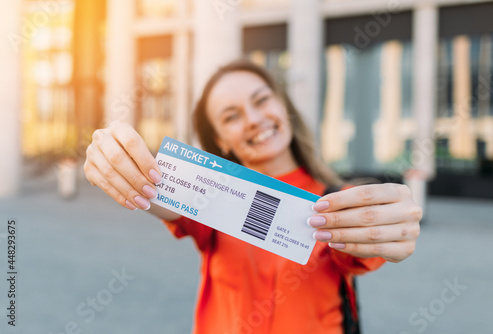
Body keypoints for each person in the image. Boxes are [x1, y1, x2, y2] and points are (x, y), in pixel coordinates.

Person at [84, 60, 422, 333]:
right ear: (221, 140)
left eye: (261, 100)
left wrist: (392, 228)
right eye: (231, 116)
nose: (254, 119)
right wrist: (120, 162)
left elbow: (367, 247)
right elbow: (155, 191)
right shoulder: (210, 197)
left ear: (282, 105)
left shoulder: (339, 201)